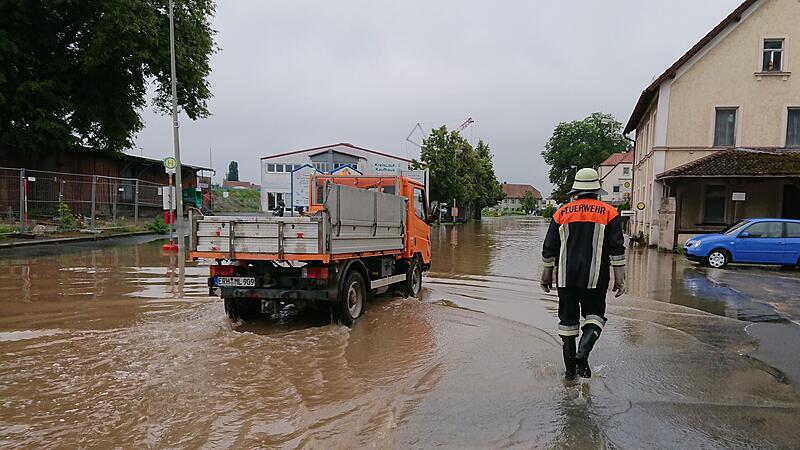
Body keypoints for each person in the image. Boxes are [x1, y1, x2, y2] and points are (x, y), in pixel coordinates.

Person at [540, 168, 626, 380]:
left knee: (568, 323)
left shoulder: (561, 213)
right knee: (595, 316)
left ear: (576, 191)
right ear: (597, 191)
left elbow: (549, 247)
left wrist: (546, 275)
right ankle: (583, 353)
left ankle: (570, 375)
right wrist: (620, 279)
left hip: (565, 278)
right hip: (595, 277)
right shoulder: (609, 213)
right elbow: (617, 249)